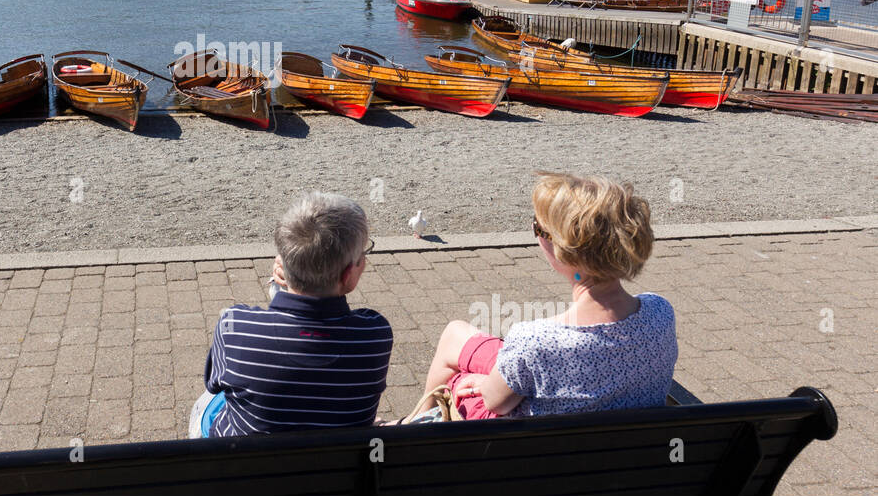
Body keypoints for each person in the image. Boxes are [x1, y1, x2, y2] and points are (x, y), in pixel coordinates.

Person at [415, 172, 676, 421]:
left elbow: (495, 402)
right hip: (628, 451)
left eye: (539, 228)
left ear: (564, 250)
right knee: (456, 334)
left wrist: (484, 384)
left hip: (527, 453)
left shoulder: (535, 341)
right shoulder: (660, 313)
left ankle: (412, 427)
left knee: (459, 368)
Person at [189, 192, 393, 438]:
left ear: (284, 262)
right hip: (336, 468)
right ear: (348, 274)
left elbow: (213, 383)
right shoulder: (375, 335)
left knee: (208, 399)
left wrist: (292, 281)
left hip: (244, 469)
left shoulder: (234, 326)